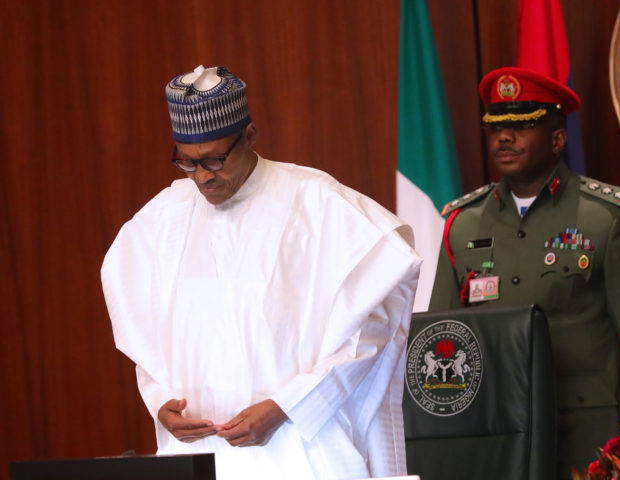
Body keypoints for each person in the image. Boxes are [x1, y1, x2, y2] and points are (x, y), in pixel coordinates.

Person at [101, 65, 421, 480]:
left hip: (302, 448)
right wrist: (159, 399)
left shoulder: (316, 203)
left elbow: (372, 325)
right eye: (188, 162)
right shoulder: (162, 219)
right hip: (201, 455)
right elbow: (144, 336)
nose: (202, 177)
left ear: (249, 136)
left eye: (215, 159)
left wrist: (287, 406)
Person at [429, 66, 620, 478]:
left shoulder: (607, 217)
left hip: (591, 436)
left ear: (558, 139)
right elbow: (443, 338)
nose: (505, 137)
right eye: (496, 126)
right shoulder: (462, 224)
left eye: (523, 125)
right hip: (499, 431)